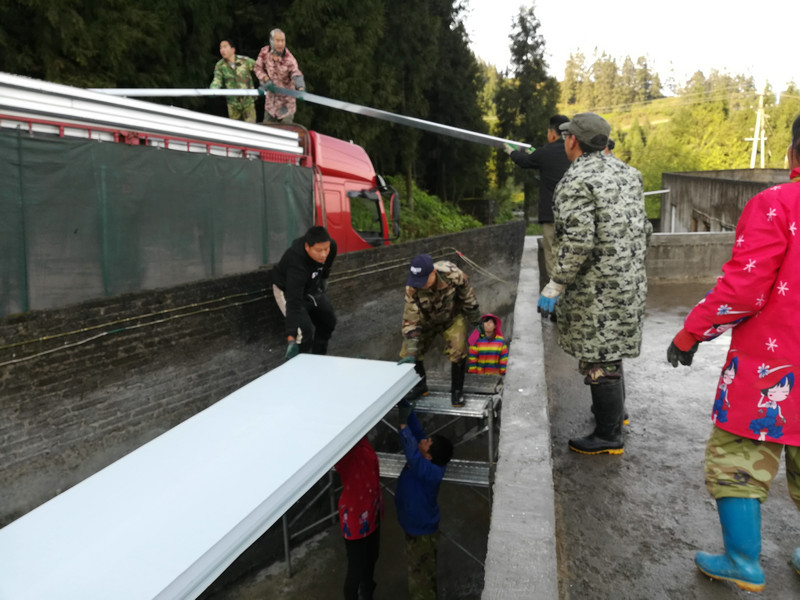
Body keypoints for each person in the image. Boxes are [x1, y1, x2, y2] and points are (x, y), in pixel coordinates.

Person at [666, 115, 800, 593]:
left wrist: (692, 332)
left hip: (772, 367)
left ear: (793, 152)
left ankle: (743, 562)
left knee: (737, 457)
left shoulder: (776, 204)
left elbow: (744, 289)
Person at [537, 112, 651, 455]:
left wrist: (556, 283)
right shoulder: (629, 173)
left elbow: (578, 241)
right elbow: (645, 228)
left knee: (600, 356)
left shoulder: (576, 180)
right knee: (612, 350)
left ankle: (608, 435)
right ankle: (616, 415)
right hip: (629, 282)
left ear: (573, 141)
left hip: (596, 290)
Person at [398, 254, 481, 407]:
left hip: (451, 318)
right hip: (426, 321)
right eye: (417, 281)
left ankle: (457, 391)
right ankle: (420, 386)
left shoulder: (453, 274)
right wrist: (411, 353)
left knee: (458, 350)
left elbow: (468, 297)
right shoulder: (412, 288)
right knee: (409, 350)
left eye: (424, 280)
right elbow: (410, 320)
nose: (420, 285)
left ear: (433, 273)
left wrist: (476, 320)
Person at [503, 115, 571, 282]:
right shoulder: (575, 151)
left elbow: (524, 161)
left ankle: (555, 291)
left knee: (552, 255)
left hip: (551, 216)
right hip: (574, 216)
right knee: (571, 255)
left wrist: (511, 151)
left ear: (552, 133)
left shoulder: (545, 152)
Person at [395, 404, 453, 600]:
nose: (423, 440)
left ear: (428, 456)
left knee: (420, 579)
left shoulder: (429, 471)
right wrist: (408, 410)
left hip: (421, 532)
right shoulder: (429, 460)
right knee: (425, 572)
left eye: (427, 442)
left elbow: (411, 451)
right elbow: (418, 434)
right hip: (417, 526)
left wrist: (403, 425)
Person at [270, 226, 337, 358]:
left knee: (328, 321)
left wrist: (324, 278)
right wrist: (291, 337)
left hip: (310, 287)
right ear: (307, 247)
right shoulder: (296, 264)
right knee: (304, 334)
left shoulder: (331, 247)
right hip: (287, 291)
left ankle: (319, 358)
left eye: (326, 249)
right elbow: (293, 303)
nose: (323, 254)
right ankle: (298, 362)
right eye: (319, 250)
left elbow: (327, 265)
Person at [334, 436, 383, 600]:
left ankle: (367, 592)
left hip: (372, 508)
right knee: (356, 566)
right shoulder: (343, 453)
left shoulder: (361, 441)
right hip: (355, 516)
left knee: (372, 555)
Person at [254, 28, 305, 124]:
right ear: (271, 41)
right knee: (267, 130)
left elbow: (296, 73)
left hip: (286, 106)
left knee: (285, 131)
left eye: (283, 41)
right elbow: (258, 68)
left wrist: (300, 87)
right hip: (270, 105)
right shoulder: (264, 52)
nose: (280, 44)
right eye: (278, 41)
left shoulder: (289, 59)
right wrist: (265, 79)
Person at [209, 39, 257, 123]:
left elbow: (261, 70)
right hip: (233, 104)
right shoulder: (220, 65)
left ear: (233, 49)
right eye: (220, 48)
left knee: (251, 128)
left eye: (225, 47)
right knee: (235, 129)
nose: (222, 50)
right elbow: (217, 80)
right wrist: (212, 90)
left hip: (248, 103)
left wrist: (266, 82)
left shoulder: (246, 61)